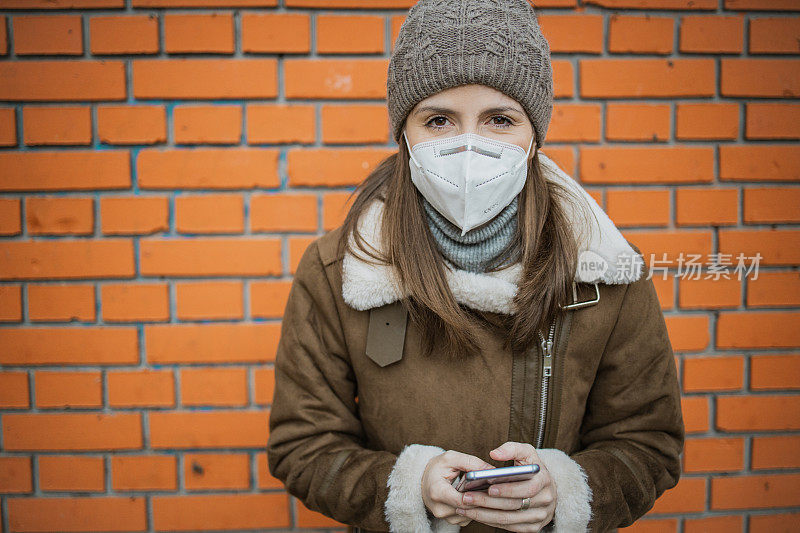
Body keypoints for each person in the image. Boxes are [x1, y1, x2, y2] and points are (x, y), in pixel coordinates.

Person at [266, 0, 684, 531]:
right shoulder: (339, 270)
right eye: (438, 119)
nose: (469, 146)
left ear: (532, 139)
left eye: (499, 120)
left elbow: (649, 443)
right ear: (405, 137)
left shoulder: (604, 270)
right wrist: (407, 486)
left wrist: (567, 490)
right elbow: (303, 444)